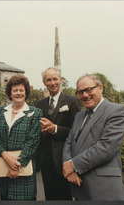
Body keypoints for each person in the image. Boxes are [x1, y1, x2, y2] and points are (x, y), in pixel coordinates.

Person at [62, 74, 124, 200]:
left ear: (100, 88)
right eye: (80, 92)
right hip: (79, 188)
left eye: (89, 89)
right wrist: (67, 166)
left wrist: (74, 165)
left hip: (105, 190)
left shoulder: (117, 111)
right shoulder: (79, 116)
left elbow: (106, 147)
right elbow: (68, 142)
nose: (85, 95)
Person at [0, 74, 42, 200]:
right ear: (10, 93)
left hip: (24, 169)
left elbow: (33, 141)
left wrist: (16, 165)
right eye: (15, 90)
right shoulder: (0, 111)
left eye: (21, 90)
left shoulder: (35, 113)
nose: (18, 93)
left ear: (26, 93)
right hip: (4, 167)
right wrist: (5, 156)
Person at [35, 67, 81, 200]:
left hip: (63, 158)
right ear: (44, 82)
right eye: (48, 80)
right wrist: (41, 130)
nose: (52, 82)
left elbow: (76, 130)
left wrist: (54, 128)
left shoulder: (72, 101)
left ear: (60, 80)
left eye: (55, 79)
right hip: (45, 159)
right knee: (49, 195)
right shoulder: (39, 104)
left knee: (64, 196)